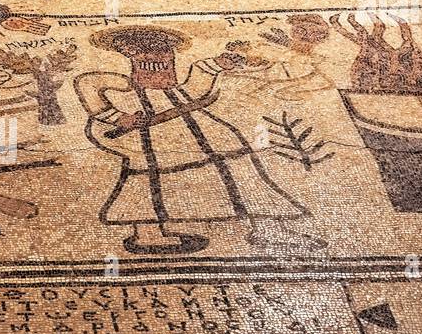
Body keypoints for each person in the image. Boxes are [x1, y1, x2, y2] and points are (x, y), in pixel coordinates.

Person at [75, 25, 321, 254]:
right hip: (151, 143)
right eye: (147, 56)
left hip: (206, 132)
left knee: (237, 161)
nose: (161, 62)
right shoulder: (126, 92)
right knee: (146, 180)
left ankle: (270, 229)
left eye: (165, 55)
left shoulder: (179, 90)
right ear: (130, 55)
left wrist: (218, 64)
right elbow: (88, 88)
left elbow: (198, 83)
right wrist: (120, 118)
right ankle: (149, 235)